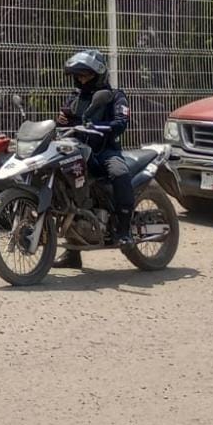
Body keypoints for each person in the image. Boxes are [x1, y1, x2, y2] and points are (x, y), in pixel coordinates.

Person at [53, 48, 134, 270]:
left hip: (105, 151)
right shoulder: (76, 96)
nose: (81, 80)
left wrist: (98, 126)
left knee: (119, 172)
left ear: (98, 75)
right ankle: (73, 252)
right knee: (68, 191)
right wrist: (61, 119)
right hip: (79, 149)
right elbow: (67, 120)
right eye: (79, 76)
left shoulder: (115, 96)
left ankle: (125, 231)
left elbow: (120, 123)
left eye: (86, 76)